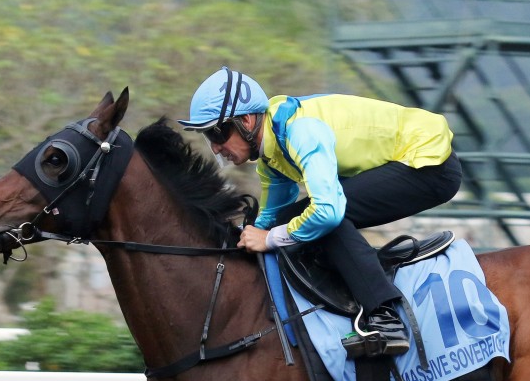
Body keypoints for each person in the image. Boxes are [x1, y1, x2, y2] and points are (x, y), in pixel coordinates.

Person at [178, 67, 463, 356]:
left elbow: (326, 212)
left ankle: (384, 316)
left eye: (218, 132)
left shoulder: (299, 132)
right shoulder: (272, 155)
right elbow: (271, 217)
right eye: (207, 135)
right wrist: (246, 236)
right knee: (294, 220)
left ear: (247, 120)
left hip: (429, 163)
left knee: (324, 217)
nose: (215, 146)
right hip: (407, 160)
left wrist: (270, 238)